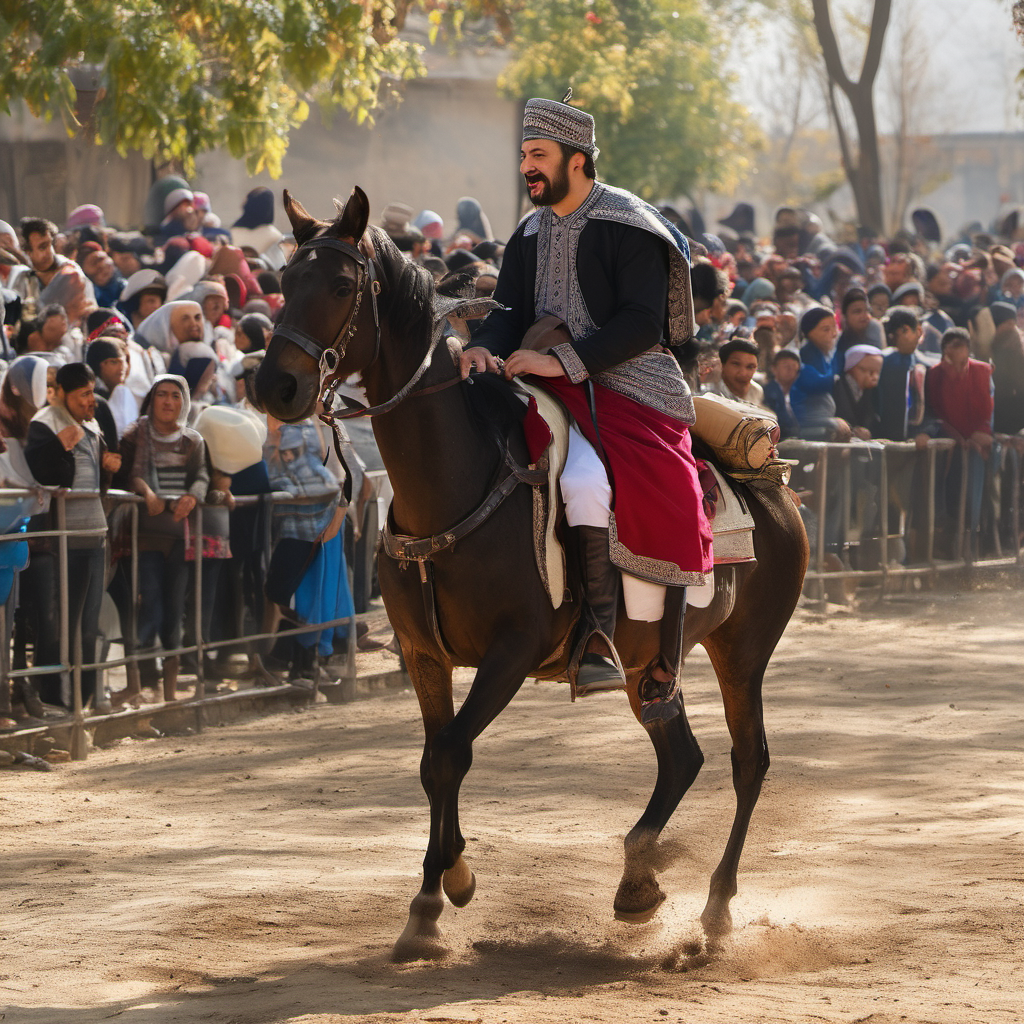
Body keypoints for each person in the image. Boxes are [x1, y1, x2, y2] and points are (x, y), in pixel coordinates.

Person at [462, 95, 712, 704]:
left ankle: (598, 635)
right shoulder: (527, 232)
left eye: (539, 155)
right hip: (542, 381)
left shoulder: (630, 224)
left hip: (632, 383)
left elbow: (641, 324)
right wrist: (481, 347)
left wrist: (562, 361)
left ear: (577, 159)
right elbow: (508, 314)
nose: (528, 167)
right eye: (524, 155)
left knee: (582, 482)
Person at [24, 363, 120, 708]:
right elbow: (39, 471)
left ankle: (87, 698)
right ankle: (53, 699)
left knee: (88, 621)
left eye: (91, 393)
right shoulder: (44, 423)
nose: (89, 402)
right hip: (55, 537)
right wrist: (57, 447)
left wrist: (111, 466)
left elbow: (101, 476)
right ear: (62, 393)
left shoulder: (93, 423)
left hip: (93, 533)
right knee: (55, 623)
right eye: (82, 395)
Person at [115, 375, 210, 700]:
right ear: (151, 399)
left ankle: (169, 693)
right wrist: (145, 492)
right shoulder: (134, 434)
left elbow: (201, 476)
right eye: (162, 395)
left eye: (175, 396)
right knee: (147, 605)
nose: (168, 402)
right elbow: (126, 474)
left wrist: (193, 497)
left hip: (178, 538)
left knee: (173, 612)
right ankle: (138, 684)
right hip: (142, 536)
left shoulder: (193, 440)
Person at [834, 345, 883, 440]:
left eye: (877, 373)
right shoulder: (837, 386)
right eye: (868, 371)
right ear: (851, 368)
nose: (874, 377)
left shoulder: (872, 392)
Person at [989, 301, 1024, 435]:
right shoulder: (985, 353)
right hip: (994, 423)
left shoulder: (1018, 351)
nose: (1011, 328)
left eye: (1012, 324)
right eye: (1006, 324)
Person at [712, 336, 771, 411]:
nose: (743, 373)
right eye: (736, 364)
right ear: (722, 365)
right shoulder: (709, 393)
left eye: (750, 367)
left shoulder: (756, 391)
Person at [762, 349, 802, 439]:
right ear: (774, 369)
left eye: (794, 367)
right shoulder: (769, 392)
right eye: (786, 366)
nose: (790, 370)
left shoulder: (794, 393)